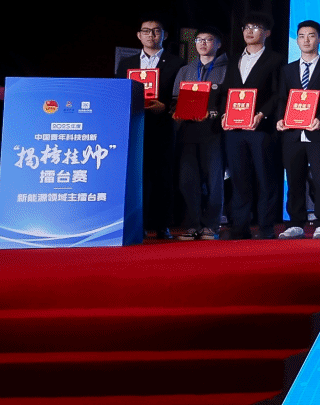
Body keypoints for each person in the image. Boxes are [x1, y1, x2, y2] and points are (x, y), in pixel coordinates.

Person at [272, 21, 320, 239]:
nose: (306, 40)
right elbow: (282, 98)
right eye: (301, 36)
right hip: (292, 133)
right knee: (294, 179)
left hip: (318, 131)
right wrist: (280, 119)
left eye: (311, 36)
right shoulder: (288, 69)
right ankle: (295, 223)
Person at [118, 19, 179, 239]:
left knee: (162, 176)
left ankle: (162, 225)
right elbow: (119, 93)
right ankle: (138, 224)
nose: (151, 35)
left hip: (162, 126)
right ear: (138, 35)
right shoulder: (126, 63)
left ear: (165, 35)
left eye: (156, 31)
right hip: (135, 126)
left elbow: (180, 96)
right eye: (146, 31)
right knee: (137, 177)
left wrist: (166, 106)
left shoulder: (177, 63)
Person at [223, 12, 281, 240]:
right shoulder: (234, 59)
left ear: (267, 33)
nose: (249, 31)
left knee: (265, 177)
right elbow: (227, 91)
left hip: (261, 128)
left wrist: (262, 114)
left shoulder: (275, 59)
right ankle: (240, 226)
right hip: (234, 129)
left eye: (255, 27)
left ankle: (266, 227)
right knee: (239, 177)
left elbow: (277, 94)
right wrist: (224, 114)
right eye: (246, 27)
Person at [172, 27, 228, 240]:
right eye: (199, 40)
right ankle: (192, 224)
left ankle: (211, 225)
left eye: (208, 39)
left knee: (214, 181)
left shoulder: (227, 69)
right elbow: (175, 99)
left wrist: (212, 114)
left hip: (214, 131)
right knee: (187, 179)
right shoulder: (185, 70)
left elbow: (230, 101)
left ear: (218, 44)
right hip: (187, 130)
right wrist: (175, 112)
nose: (203, 43)